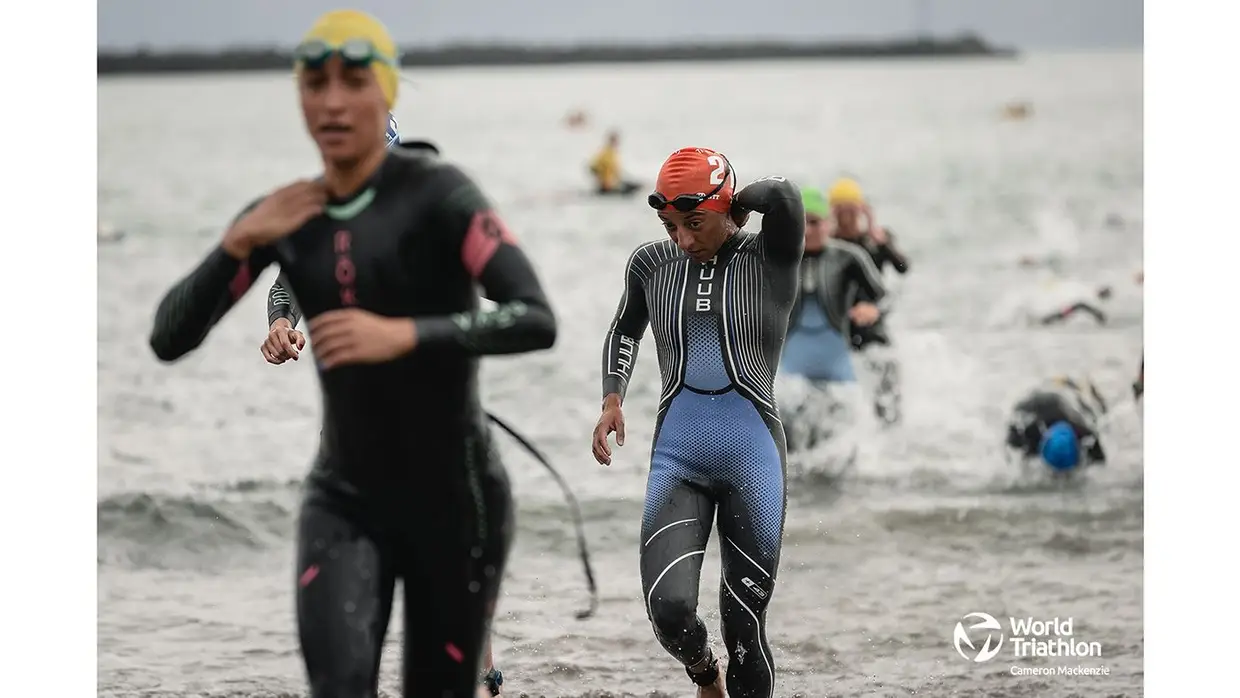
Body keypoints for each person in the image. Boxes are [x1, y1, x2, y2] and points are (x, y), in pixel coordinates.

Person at [148, 10, 556, 698]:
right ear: (301, 99)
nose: (333, 103)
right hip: (343, 497)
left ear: (386, 97)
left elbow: (533, 318)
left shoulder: (443, 196)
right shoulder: (288, 216)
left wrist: (407, 334)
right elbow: (169, 338)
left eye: (354, 84)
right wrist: (237, 245)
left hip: (452, 497)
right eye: (315, 85)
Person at [259, 113, 508, 697]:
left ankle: (488, 675)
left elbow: (511, 304)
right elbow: (285, 284)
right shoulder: (326, 232)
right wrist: (279, 324)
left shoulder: (436, 228)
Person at [591, 146, 804, 698]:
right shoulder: (650, 265)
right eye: (669, 226)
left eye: (693, 223)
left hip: (752, 457)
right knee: (668, 609)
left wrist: (732, 201)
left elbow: (782, 196)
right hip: (677, 457)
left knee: (745, 626)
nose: (682, 239)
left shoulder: (770, 258)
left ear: (725, 207)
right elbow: (624, 331)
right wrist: (612, 397)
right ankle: (705, 676)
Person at [779, 187, 886, 453]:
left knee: (846, 442)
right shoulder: (779, 259)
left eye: (815, 222)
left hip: (838, 366)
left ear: (828, 224)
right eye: (801, 223)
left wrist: (871, 308)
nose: (809, 230)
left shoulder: (849, 256)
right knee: (789, 446)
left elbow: (883, 295)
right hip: (793, 370)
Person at [825, 178, 908, 423]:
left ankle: (891, 426)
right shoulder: (828, 246)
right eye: (841, 212)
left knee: (887, 371)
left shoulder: (876, 240)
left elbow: (903, 267)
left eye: (852, 211)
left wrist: (881, 240)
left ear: (861, 210)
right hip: (841, 324)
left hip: (873, 321)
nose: (847, 218)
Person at [1005, 376, 1108, 472]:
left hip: (1064, 397)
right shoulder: (1024, 429)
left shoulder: (1083, 429)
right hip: (1042, 395)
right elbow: (1009, 451)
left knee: (1097, 415)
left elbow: (1100, 460)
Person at [588, 130, 642, 196]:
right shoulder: (606, 153)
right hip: (608, 185)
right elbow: (593, 168)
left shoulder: (612, 153)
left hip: (615, 183)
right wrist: (602, 181)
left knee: (635, 186)